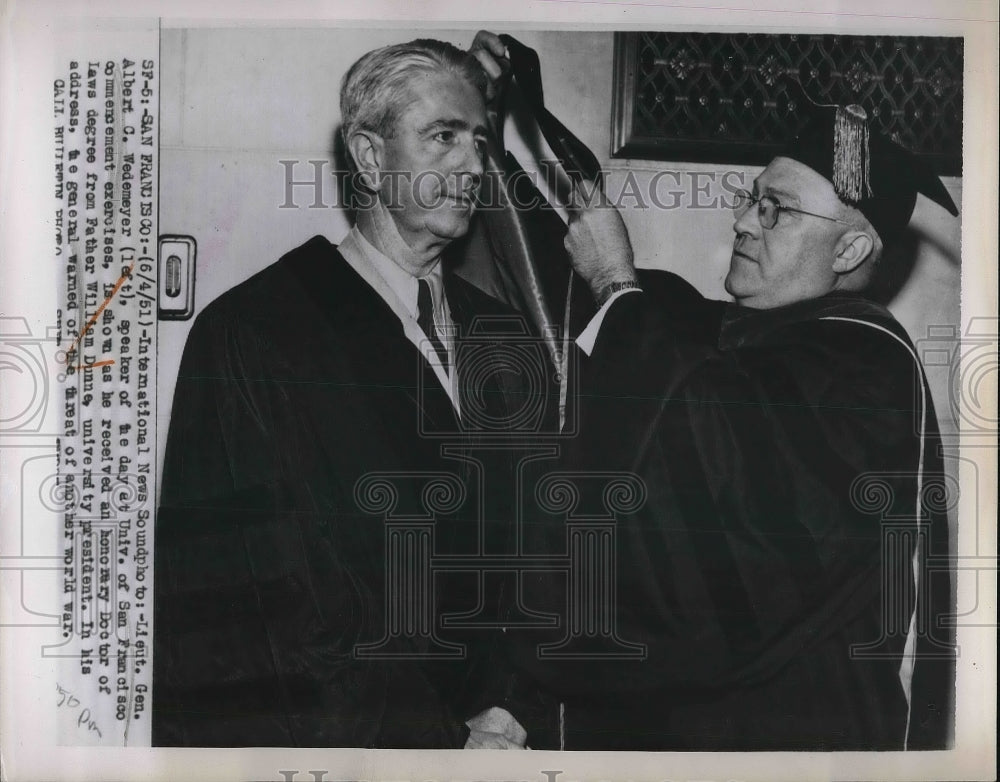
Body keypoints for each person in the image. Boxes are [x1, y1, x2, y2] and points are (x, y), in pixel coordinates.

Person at [508, 105, 958, 750]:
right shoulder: (765, 338)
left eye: (776, 209)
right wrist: (501, 127)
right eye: (751, 200)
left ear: (851, 249)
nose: (744, 221)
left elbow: (714, 454)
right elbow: (656, 322)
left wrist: (615, 283)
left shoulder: (863, 364)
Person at [152, 37, 552, 748]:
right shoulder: (256, 335)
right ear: (370, 158)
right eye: (443, 137)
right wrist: (438, 743)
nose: (472, 165)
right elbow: (265, 606)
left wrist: (511, 708)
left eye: (480, 140)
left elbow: (540, 547)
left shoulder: (503, 334)